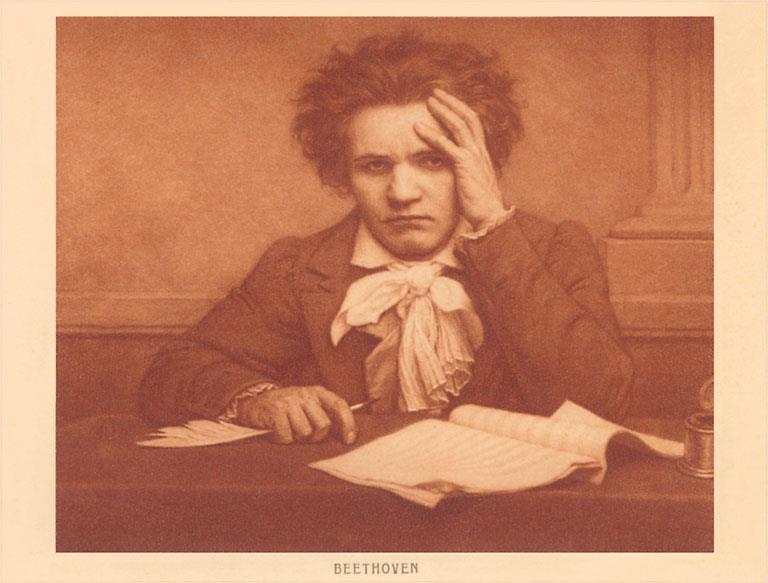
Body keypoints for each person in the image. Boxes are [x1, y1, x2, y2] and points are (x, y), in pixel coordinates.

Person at [139, 33, 633, 445]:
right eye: (375, 166)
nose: (401, 193)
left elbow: (601, 404)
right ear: (343, 174)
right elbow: (171, 373)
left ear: (480, 161)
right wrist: (261, 400)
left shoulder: (553, 251)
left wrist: (491, 225)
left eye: (432, 161)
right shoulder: (297, 268)